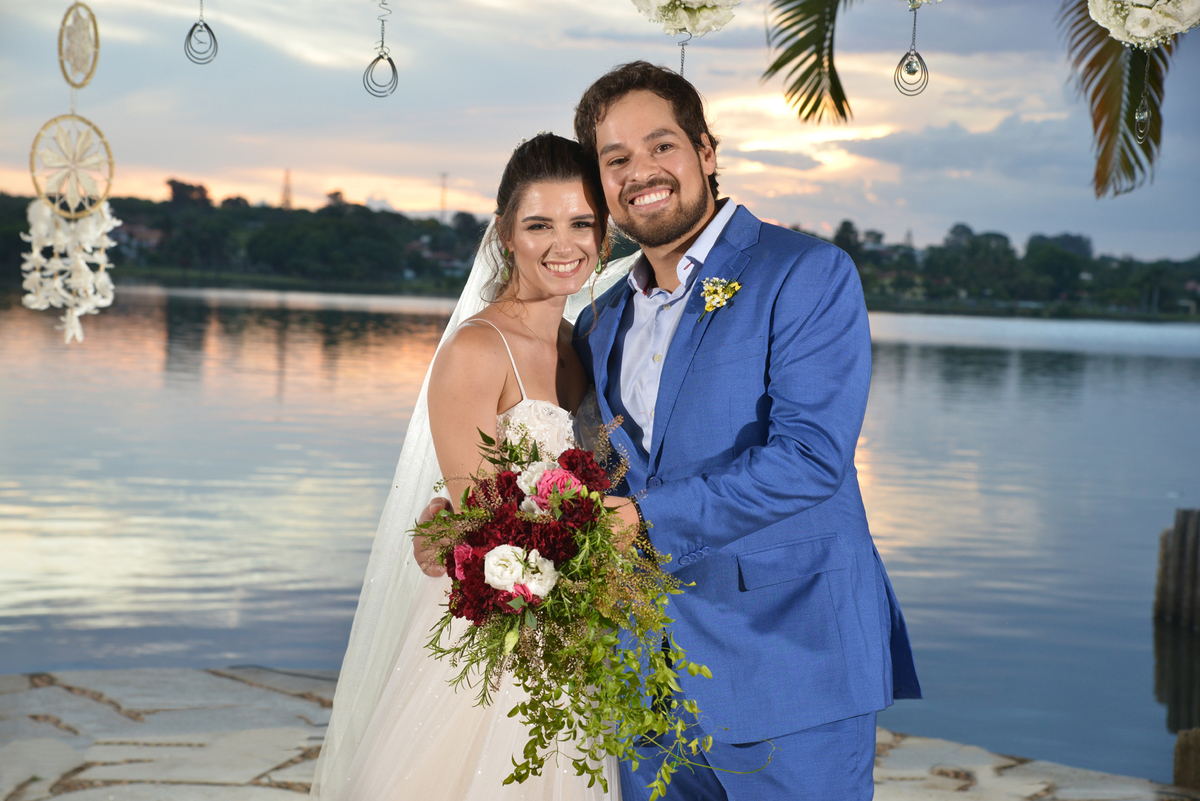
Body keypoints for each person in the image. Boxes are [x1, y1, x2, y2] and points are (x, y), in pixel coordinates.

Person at [568, 61, 922, 800]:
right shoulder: (598, 320)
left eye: (661, 145)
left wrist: (647, 518)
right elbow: (587, 473)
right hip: (646, 682)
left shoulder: (807, 272)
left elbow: (809, 458)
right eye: (616, 159)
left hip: (791, 664)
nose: (641, 172)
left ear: (706, 149)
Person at [310, 133, 634, 800]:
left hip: (571, 634)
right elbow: (484, 524)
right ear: (504, 234)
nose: (563, 244)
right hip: (492, 636)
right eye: (538, 224)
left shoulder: (586, 344)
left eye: (581, 223)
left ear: (604, 236)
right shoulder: (479, 350)